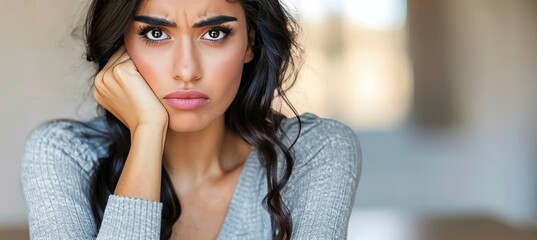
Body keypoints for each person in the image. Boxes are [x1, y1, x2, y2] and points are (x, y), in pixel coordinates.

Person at [21, 0, 362, 239]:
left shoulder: (316, 152)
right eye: (156, 34)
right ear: (120, 47)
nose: (187, 70)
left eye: (214, 33)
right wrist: (147, 131)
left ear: (250, 43)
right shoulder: (64, 155)